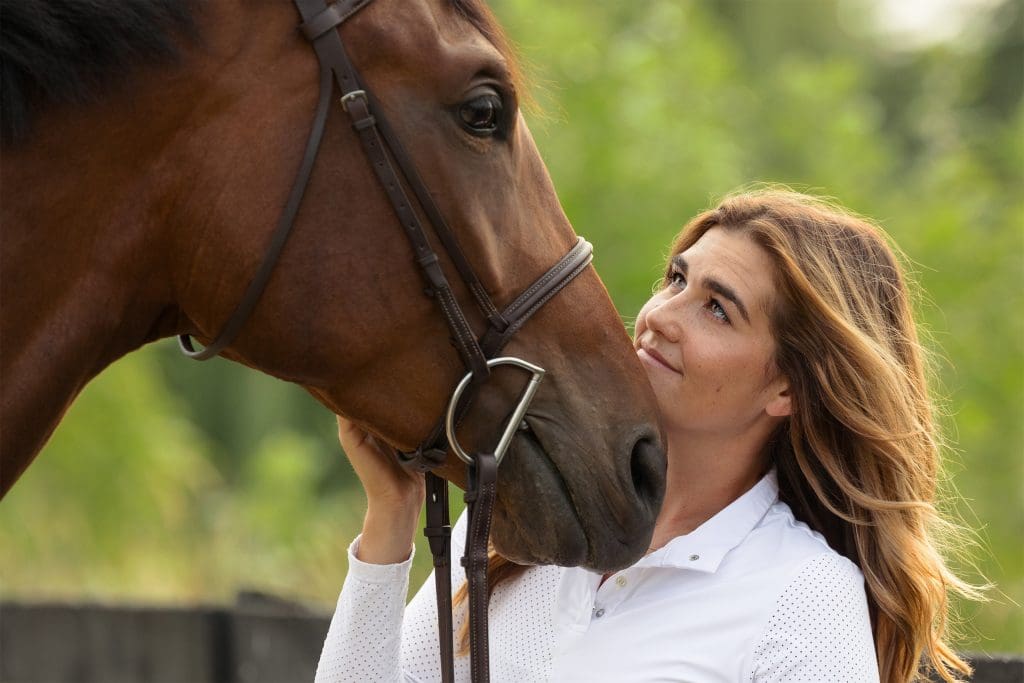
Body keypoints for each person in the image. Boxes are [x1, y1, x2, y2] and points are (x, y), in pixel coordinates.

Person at [315, 189, 981, 682]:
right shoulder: (523, 515)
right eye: (677, 278)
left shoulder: (804, 598)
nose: (660, 316)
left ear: (788, 388)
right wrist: (392, 516)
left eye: (717, 309)